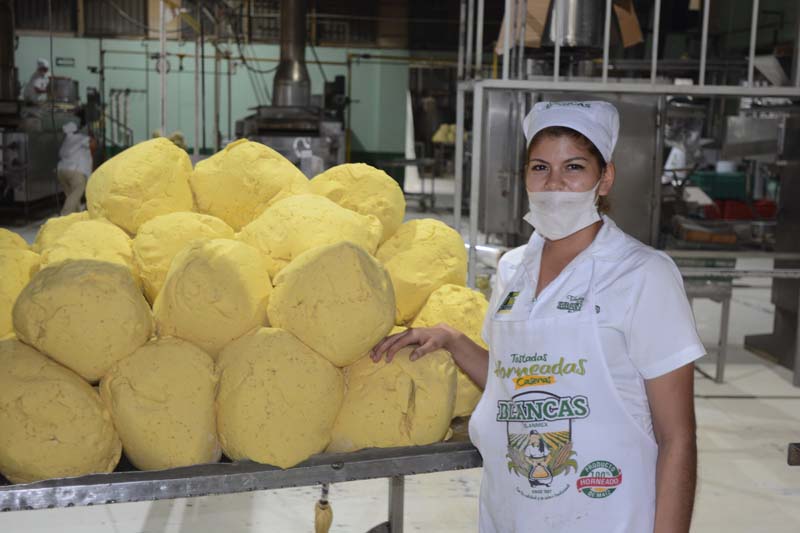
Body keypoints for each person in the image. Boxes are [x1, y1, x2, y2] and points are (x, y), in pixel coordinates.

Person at [371, 101, 704, 533]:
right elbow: (516, 381)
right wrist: (452, 340)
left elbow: (677, 437)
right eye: (540, 168)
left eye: (574, 167)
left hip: (607, 515)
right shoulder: (513, 269)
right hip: (512, 511)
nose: (554, 184)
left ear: (605, 178)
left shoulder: (643, 274)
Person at [57, 121, 92, 215]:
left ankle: (75, 215)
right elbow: (92, 143)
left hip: (61, 171)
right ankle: (65, 214)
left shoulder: (66, 141)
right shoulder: (81, 138)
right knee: (76, 193)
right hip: (75, 171)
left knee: (70, 195)